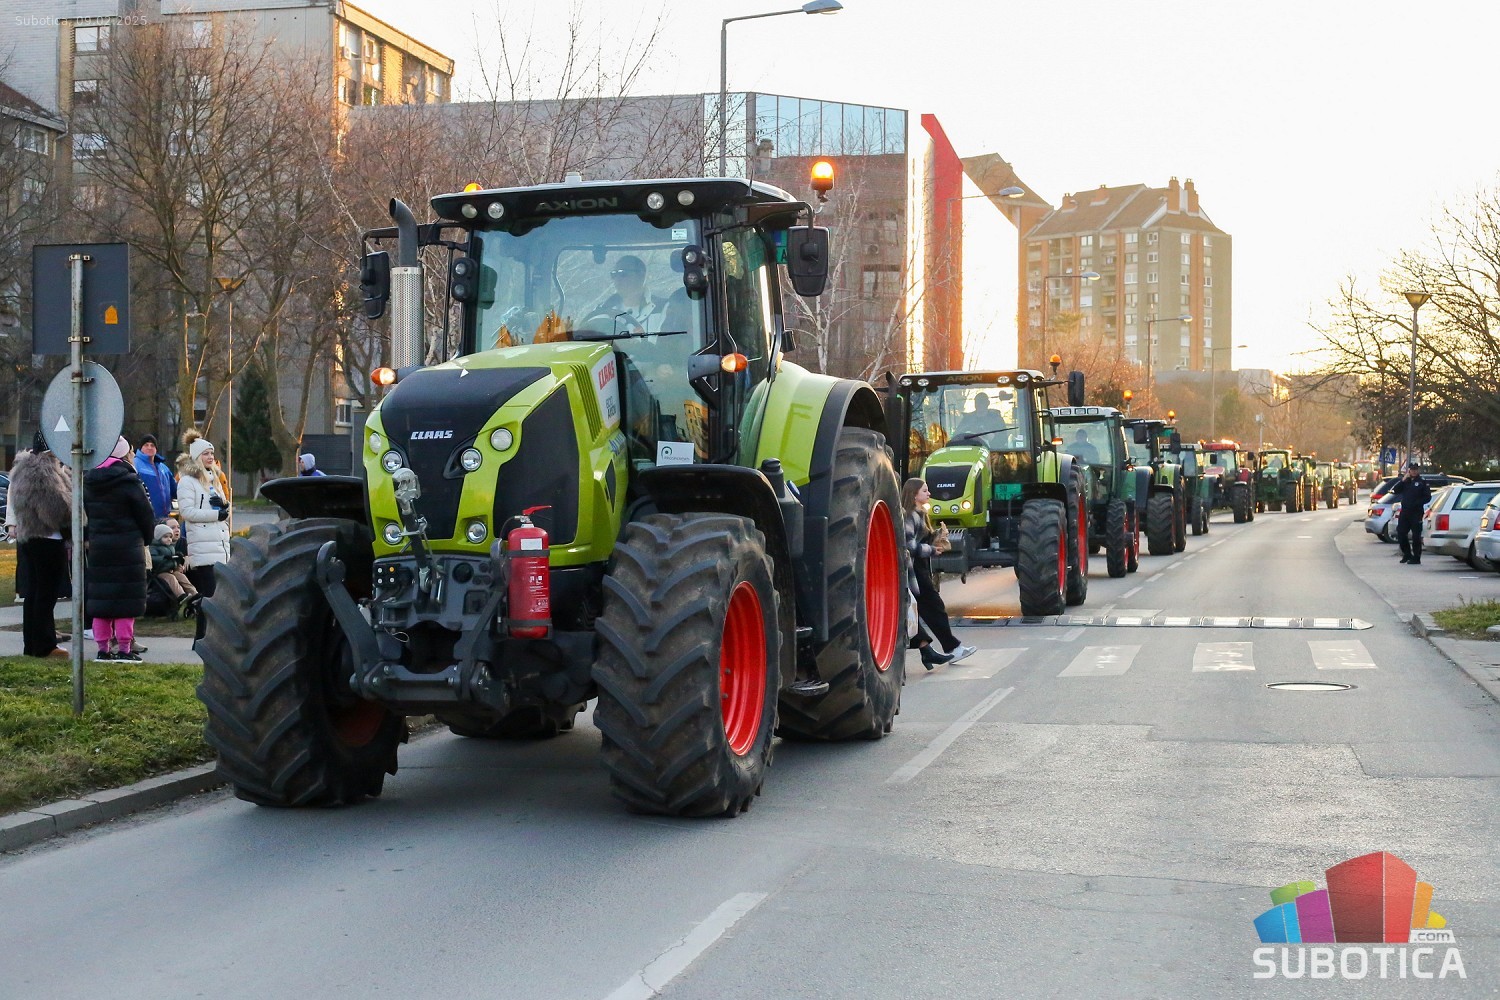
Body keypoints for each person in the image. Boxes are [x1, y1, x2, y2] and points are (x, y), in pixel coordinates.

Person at [83, 436, 155, 662]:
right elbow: (145, 514)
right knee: (126, 601)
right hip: (128, 547)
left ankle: (103, 649)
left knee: (101, 600)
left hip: (99, 548)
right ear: (124, 455)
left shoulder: (89, 481)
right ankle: (124, 648)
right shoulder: (129, 480)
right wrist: (147, 538)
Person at [7, 432, 72, 658]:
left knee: (35, 592)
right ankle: (45, 645)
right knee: (46, 593)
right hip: (47, 537)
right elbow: (54, 508)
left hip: (30, 536)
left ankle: (33, 644)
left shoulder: (23, 468)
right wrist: (73, 511)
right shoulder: (44, 470)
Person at [902, 478, 976, 669]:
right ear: (914, 494)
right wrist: (932, 550)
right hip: (914, 571)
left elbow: (919, 540)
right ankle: (953, 648)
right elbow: (909, 546)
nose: (929, 494)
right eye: (925, 491)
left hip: (920, 569)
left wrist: (937, 537)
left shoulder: (920, 514)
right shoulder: (910, 516)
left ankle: (928, 651)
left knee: (919, 610)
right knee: (934, 608)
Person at [178, 437, 231, 600]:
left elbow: (224, 509)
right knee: (209, 595)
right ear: (196, 456)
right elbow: (187, 512)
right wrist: (216, 515)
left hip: (220, 545)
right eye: (205, 453)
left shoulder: (215, 479)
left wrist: (224, 507)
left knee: (220, 596)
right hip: (203, 547)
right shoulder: (187, 481)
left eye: (212, 453)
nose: (210, 457)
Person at [595, 255, 665, 334]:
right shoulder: (602, 310)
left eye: (623, 274)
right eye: (614, 274)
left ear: (641, 276)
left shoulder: (663, 309)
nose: (617, 279)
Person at [149, 521, 199, 618]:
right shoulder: (154, 547)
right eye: (165, 537)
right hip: (160, 572)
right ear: (158, 537)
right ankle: (181, 595)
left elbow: (173, 560)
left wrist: (178, 559)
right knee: (171, 578)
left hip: (170, 570)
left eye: (170, 537)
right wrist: (164, 558)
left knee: (181, 576)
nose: (169, 539)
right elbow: (153, 558)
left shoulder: (170, 547)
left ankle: (194, 593)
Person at [1389, 462, 1433, 565]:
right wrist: (1403, 480)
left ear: (1418, 470)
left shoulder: (1422, 482)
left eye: (1415, 469)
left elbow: (1427, 497)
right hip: (1405, 512)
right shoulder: (1406, 481)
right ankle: (1407, 554)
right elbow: (1395, 490)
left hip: (1416, 512)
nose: (1414, 471)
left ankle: (1416, 557)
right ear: (1409, 470)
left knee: (1416, 536)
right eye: (1412, 470)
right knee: (1401, 533)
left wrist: (1416, 503)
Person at [133, 433, 176, 521]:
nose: (149, 447)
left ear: (156, 449)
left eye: (152, 445)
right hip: (145, 517)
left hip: (165, 517)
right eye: (146, 445)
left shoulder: (164, 468)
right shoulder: (135, 464)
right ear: (140, 448)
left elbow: (175, 489)